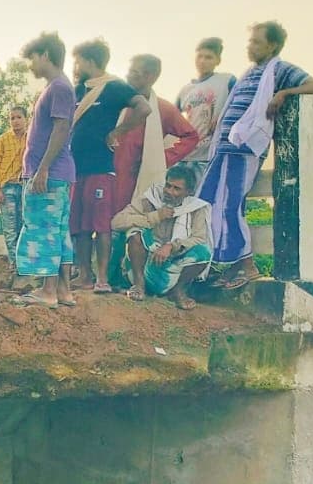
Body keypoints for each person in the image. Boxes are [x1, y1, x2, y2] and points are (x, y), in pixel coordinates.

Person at [198, 21, 313, 291]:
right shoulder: (249, 72)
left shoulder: (279, 69)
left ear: (272, 45)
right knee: (206, 203)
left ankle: (248, 267)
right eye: (250, 41)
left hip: (244, 149)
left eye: (257, 41)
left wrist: (284, 93)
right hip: (224, 147)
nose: (250, 46)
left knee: (230, 206)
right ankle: (228, 265)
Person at [69, 39, 151, 293]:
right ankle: (85, 274)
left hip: (101, 167)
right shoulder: (78, 90)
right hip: (76, 168)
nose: (76, 65)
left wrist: (119, 130)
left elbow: (143, 107)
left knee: (101, 225)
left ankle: (102, 278)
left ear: (90, 61)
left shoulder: (114, 87)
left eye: (79, 60)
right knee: (79, 225)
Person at [15, 32, 77, 308]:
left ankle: (48, 291)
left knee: (44, 230)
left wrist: (42, 170)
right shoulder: (57, 87)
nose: (30, 64)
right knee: (58, 231)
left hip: (50, 175)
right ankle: (64, 291)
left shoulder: (59, 88)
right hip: (54, 173)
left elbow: (61, 128)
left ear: (45, 56)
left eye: (32, 58)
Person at [112, 164, 212, 310]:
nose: (169, 191)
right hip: (143, 264)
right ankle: (139, 286)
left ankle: (178, 291)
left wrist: (172, 246)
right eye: (168, 185)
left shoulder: (196, 208)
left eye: (176, 189)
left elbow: (199, 238)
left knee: (203, 251)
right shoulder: (150, 198)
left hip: (173, 267)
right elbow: (116, 222)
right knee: (136, 234)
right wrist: (155, 217)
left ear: (188, 192)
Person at [111, 55, 198, 214]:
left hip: (136, 178)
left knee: (130, 225)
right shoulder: (115, 102)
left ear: (149, 76)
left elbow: (191, 137)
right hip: (107, 174)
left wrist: (158, 159)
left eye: (134, 72)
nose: (128, 76)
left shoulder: (163, 109)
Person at [175, 37, 236, 178]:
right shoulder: (186, 90)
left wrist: (223, 117)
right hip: (187, 155)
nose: (203, 61)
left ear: (218, 61)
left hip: (211, 154)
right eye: (200, 56)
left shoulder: (226, 80)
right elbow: (172, 119)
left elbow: (241, 105)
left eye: (209, 57)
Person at [0, 104, 28, 271]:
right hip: (8, 187)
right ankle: (15, 263)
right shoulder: (3, 139)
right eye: (12, 118)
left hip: (26, 186)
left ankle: (25, 261)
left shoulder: (32, 138)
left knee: (25, 224)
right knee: (10, 227)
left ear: (26, 119)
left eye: (19, 117)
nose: (16, 121)